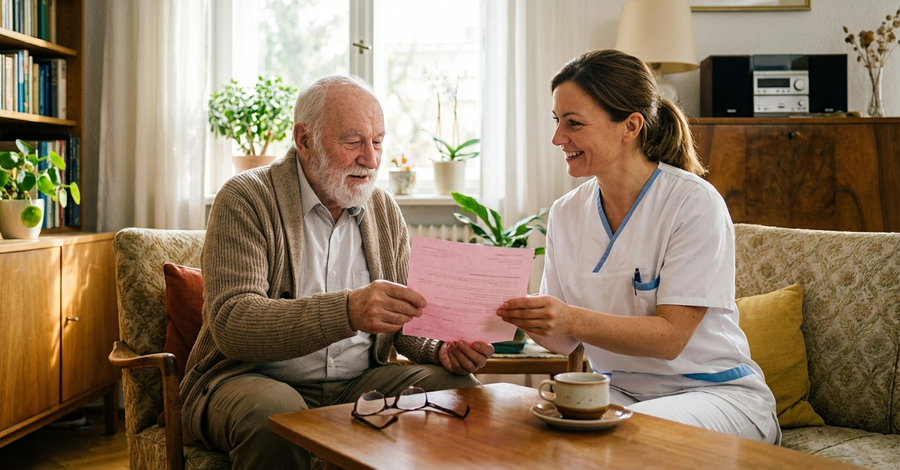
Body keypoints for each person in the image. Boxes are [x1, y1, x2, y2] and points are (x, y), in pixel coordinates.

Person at [180, 75, 494, 469]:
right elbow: (233, 323)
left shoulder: (382, 210)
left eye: (377, 141)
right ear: (304, 140)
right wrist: (347, 311)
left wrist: (440, 349)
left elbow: (403, 323)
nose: (372, 159)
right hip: (248, 378)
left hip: (358, 382)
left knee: (460, 392)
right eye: (353, 141)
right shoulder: (246, 198)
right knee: (275, 414)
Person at [497, 49, 781, 444]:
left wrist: (568, 318)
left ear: (630, 126)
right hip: (618, 393)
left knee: (620, 436)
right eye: (557, 121)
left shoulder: (692, 202)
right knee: (529, 433)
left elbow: (671, 338)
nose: (558, 138)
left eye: (574, 123)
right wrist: (511, 311)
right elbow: (563, 339)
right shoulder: (565, 213)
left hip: (714, 394)